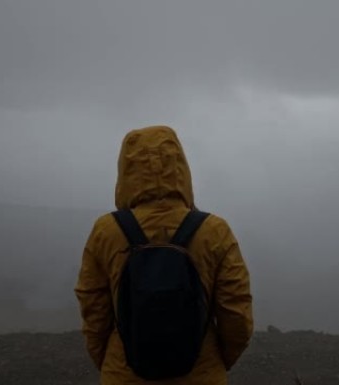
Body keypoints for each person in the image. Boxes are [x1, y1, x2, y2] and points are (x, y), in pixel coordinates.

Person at [75, 125, 253, 384]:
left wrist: (110, 362)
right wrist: (215, 361)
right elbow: (236, 312)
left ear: (125, 171)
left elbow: (93, 310)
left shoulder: (106, 231)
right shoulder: (214, 231)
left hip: (124, 376)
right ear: (181, 168)